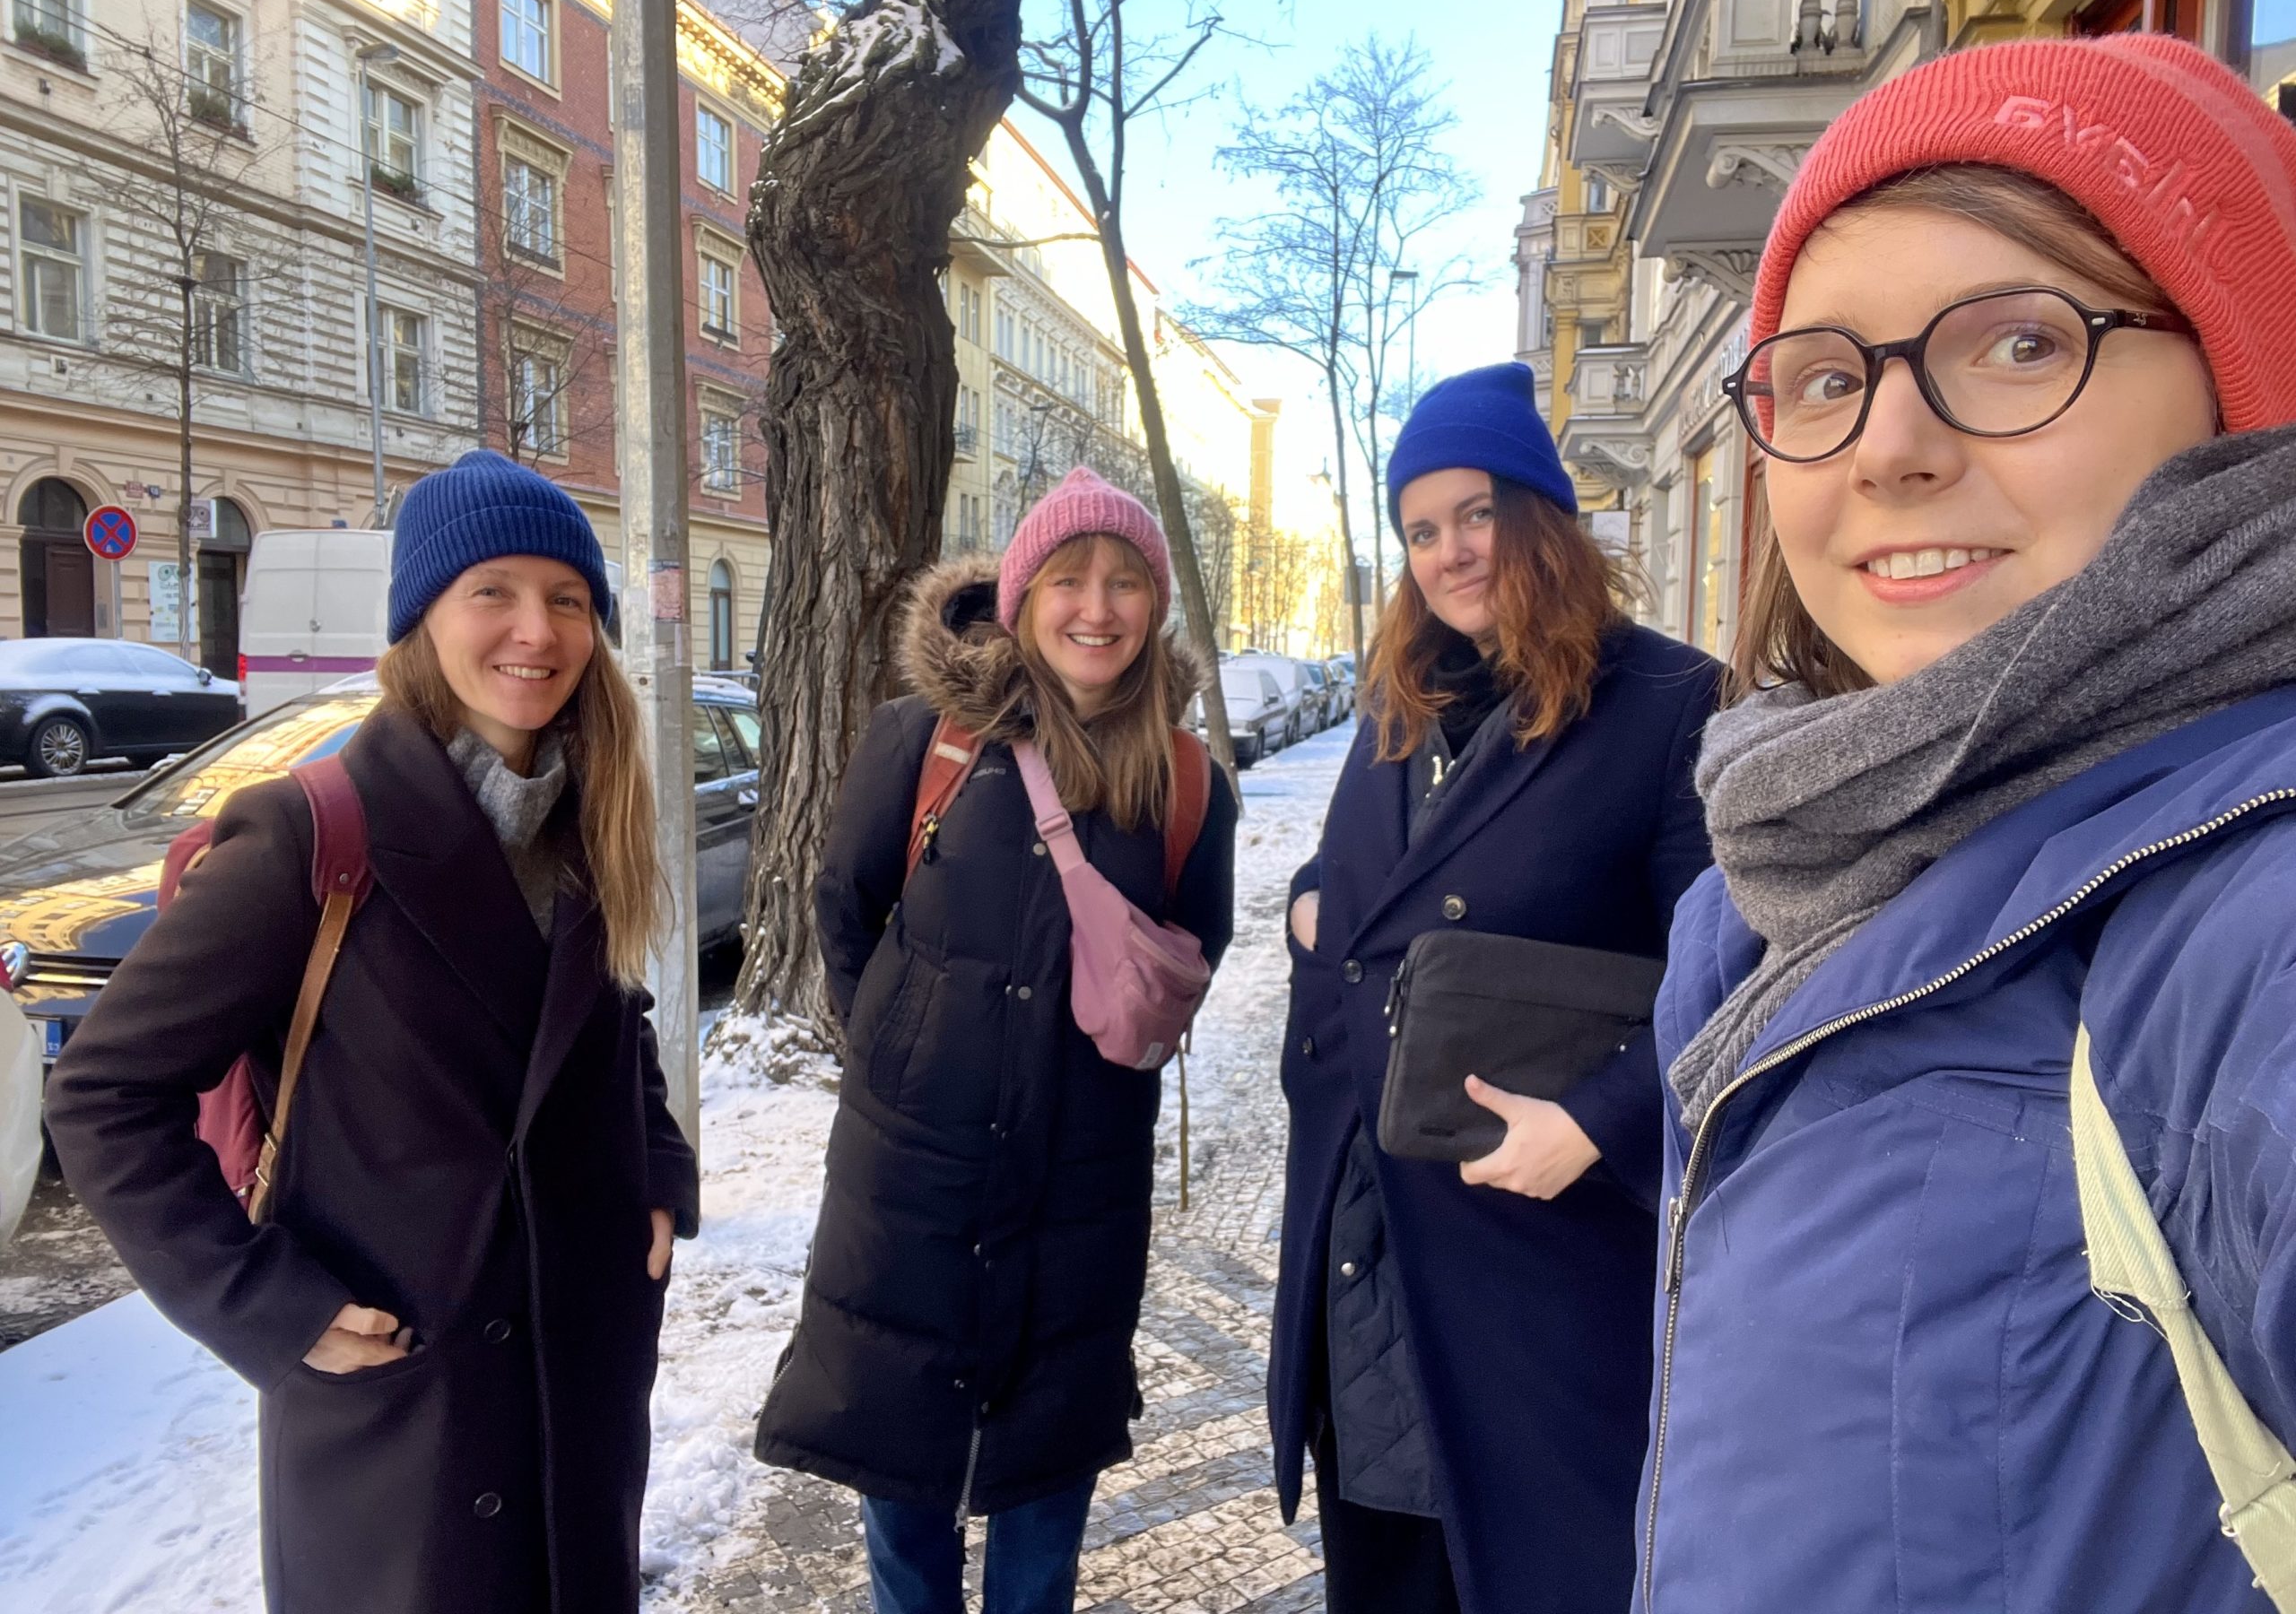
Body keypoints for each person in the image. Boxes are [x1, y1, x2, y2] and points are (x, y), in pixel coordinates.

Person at [1637, 36, 2296, 1614]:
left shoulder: (2241, 914)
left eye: (2016, 343)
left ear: (2240, 392)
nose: (1888, 447)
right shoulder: (1777, 875)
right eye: (1824, 377)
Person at [46, 450, 698, 1614]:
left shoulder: (584, 813)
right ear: (420, 619)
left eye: (566, 599)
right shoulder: (310, 835)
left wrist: (654, 1173)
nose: (536, 631)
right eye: (492, 591)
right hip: (403, 1401)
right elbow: (104, 1093)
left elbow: (607, 1020)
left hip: (576, 1382)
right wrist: (266, 1304)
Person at [1268, 362, 1723, 1614]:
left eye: (1477, 514)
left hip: (1535, 1250)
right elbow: (1378, 877)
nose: (1451, 553)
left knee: (1536, 1563)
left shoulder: (1666, 703)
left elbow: (1725, 975)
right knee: (1385, 1566)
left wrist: (1597, 1124)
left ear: (1541, 516)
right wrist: (1307, 901)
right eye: (1421, 531)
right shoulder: (1399, 700)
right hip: (1367, 1235)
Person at [755, 466, 1239, 1614]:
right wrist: (902, 1054)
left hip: (1080, 1191)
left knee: (1041, 1514)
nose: (1097, 608)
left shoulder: (1184, 783)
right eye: (1069, 579)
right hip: (906, 1185)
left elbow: (1191, 954)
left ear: (1155, 603)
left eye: (1125, 582)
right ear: (1021, 597)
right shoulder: (921, 741)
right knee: (902, 1509)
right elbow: (845, 906)